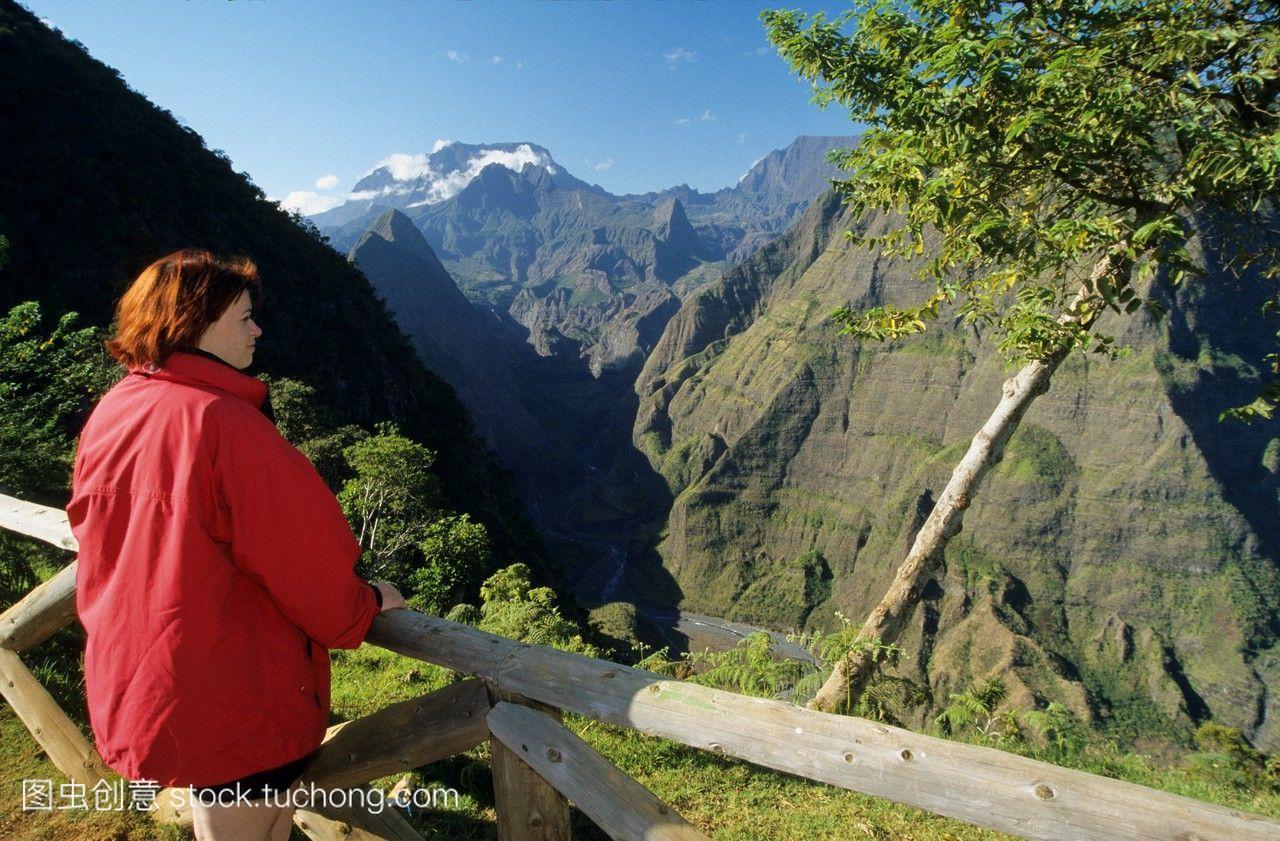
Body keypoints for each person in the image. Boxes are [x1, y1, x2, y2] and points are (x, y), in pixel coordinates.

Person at [67, 249, 407, 841]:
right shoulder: (226, 426)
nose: (258, 328)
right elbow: (308, 566)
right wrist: (369, 603)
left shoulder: (117, 409)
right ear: (195, 322)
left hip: (152, 674)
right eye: (244, 316)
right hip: (234, 695)